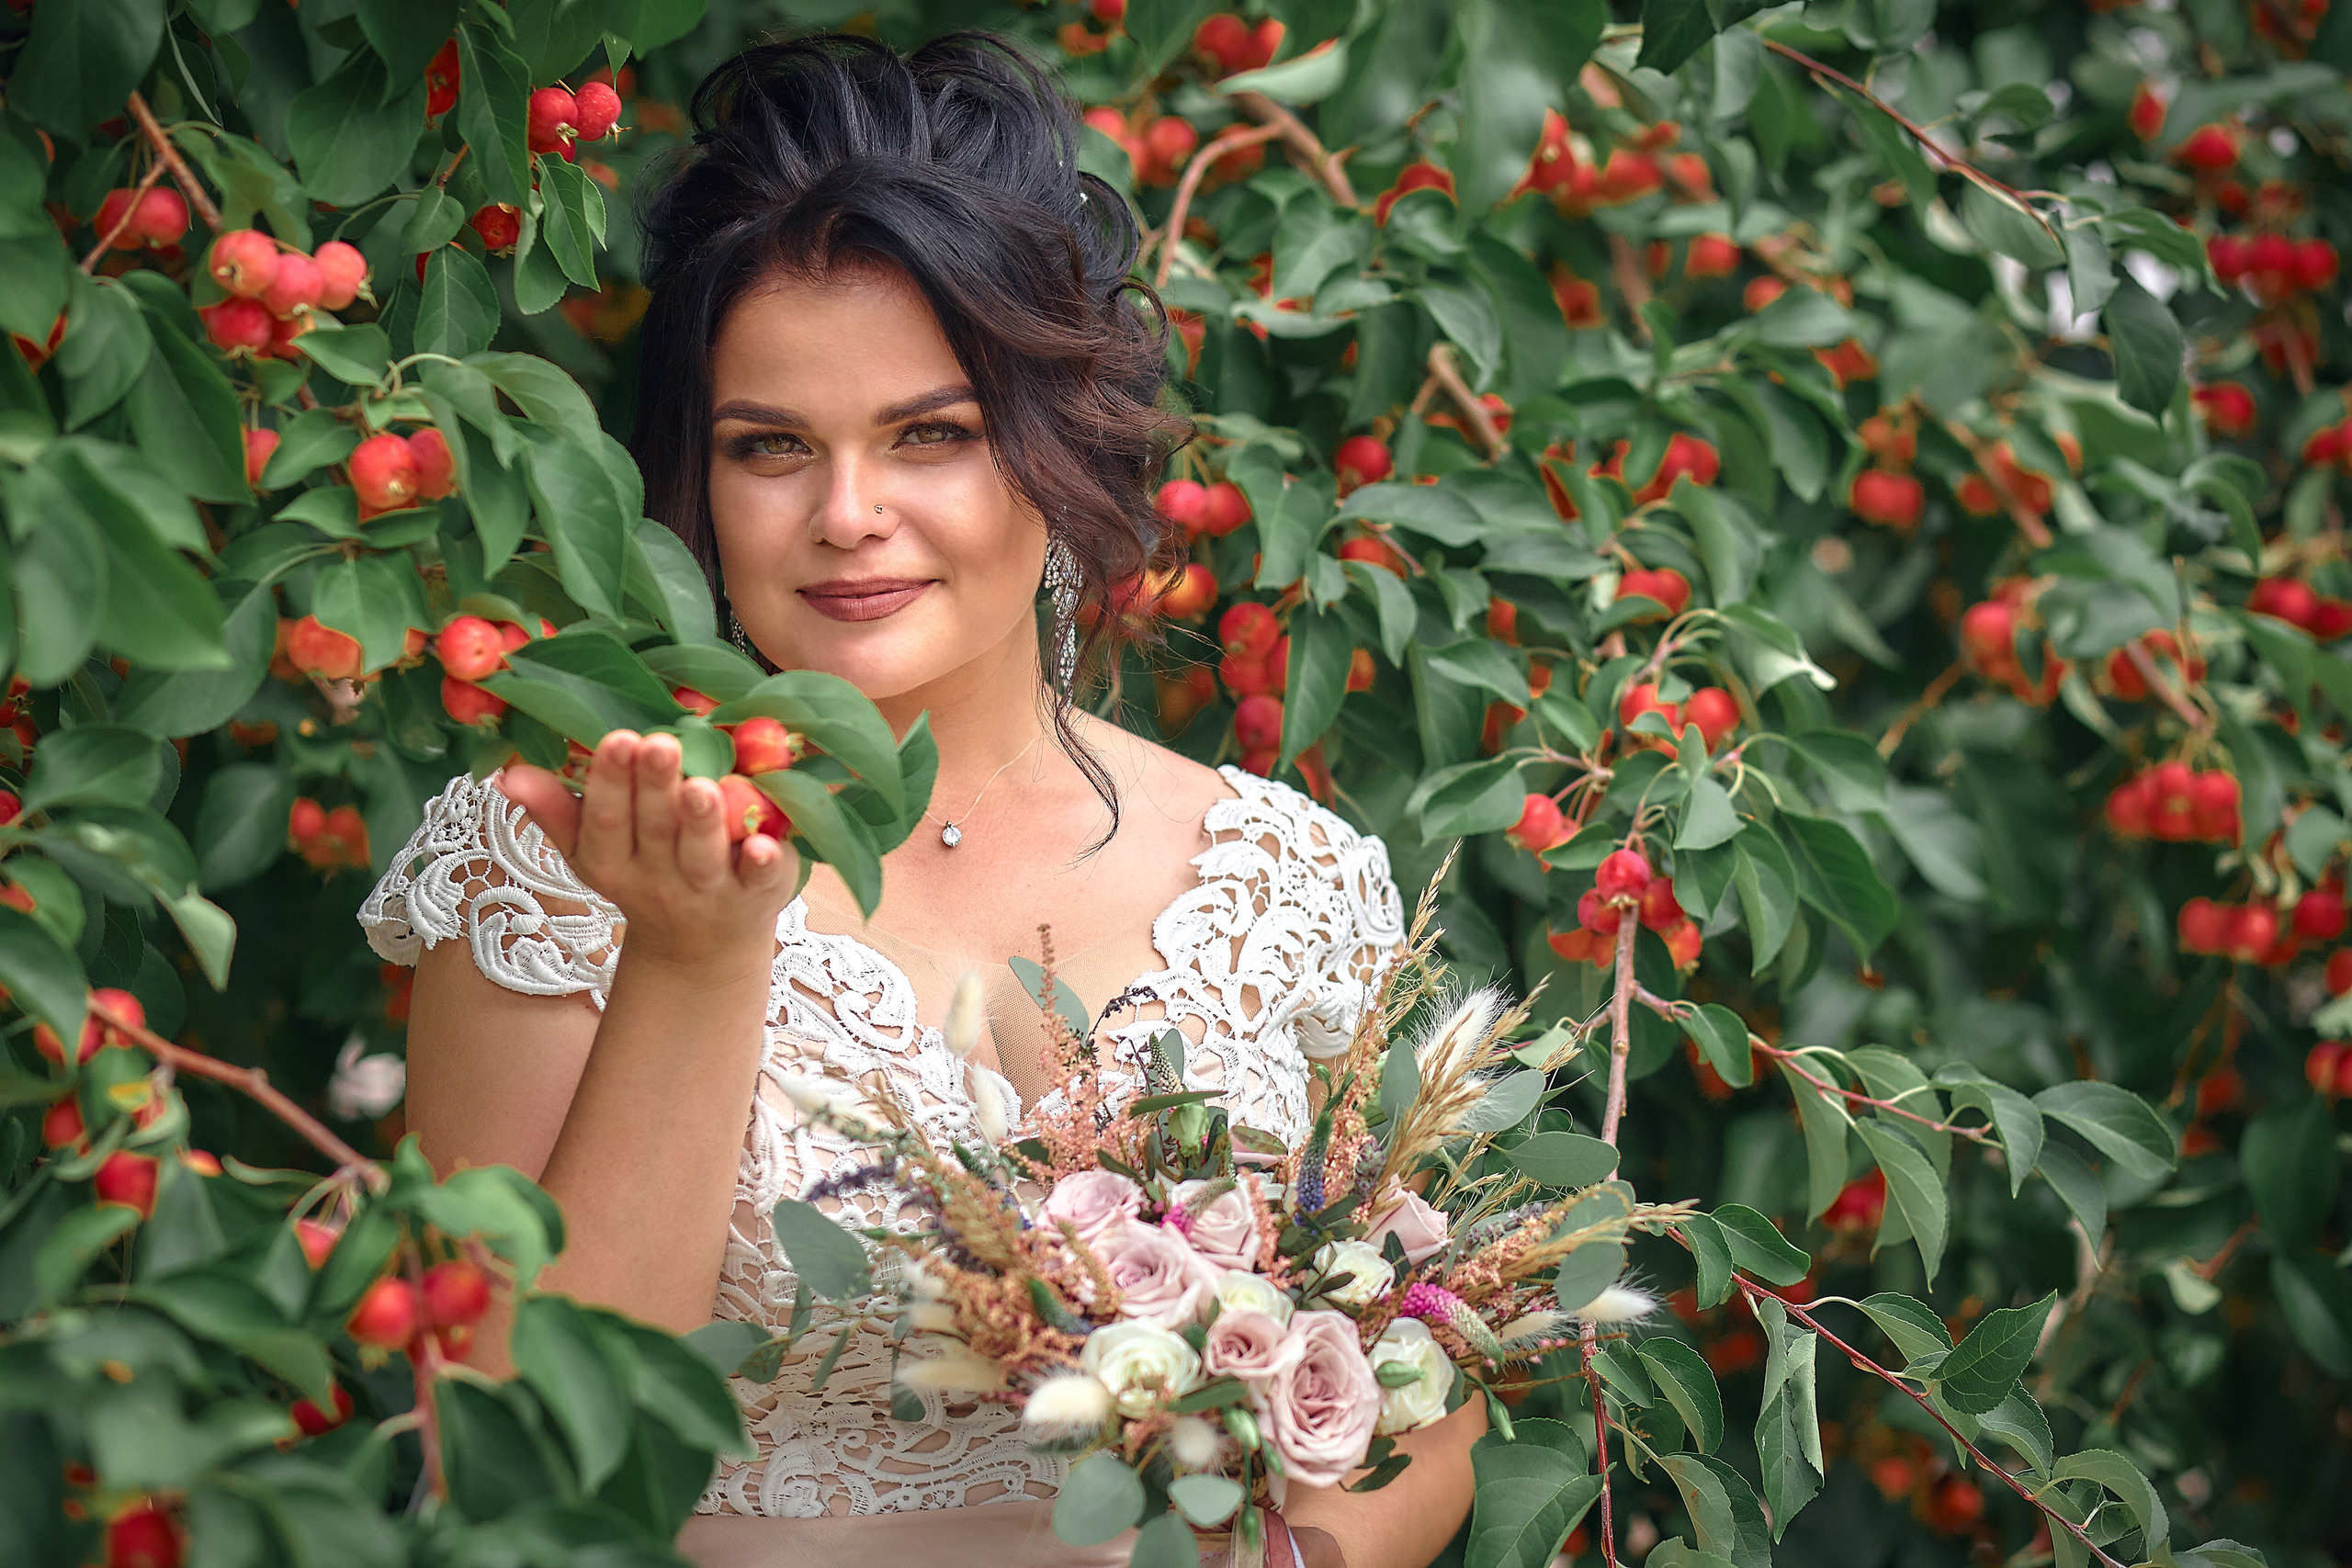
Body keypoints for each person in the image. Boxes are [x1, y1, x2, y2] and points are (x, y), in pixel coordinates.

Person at [361, 32, 1478, 1568]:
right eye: (770, 448)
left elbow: (1434, 1406)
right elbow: (516, 1456)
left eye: (930, 435)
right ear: (693, 476)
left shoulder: (1289, 877)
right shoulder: (557, 856)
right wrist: (693, 961)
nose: (845, 517)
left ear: (1056, 438)